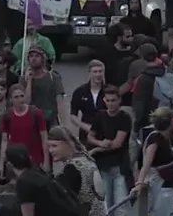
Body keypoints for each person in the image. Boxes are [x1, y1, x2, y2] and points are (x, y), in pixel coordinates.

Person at [86, 85, 131, 215]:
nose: (110, 103)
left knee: (120, 205)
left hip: (119, 166)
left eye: (113, 100)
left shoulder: (124, 117)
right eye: (108, 100)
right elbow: (90, 136)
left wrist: (95, 150)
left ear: (119, 100)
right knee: (106, 204)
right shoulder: (100, 115)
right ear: (104, 100)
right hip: (103, 167)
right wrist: (101, 142)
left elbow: (117, 143)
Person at [46, 126, 106, 216]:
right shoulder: (86, 159)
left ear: (68, 144)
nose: (50, 150)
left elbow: (63, 204)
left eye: (54, 146)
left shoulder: (72, 169)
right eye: (49, 146)